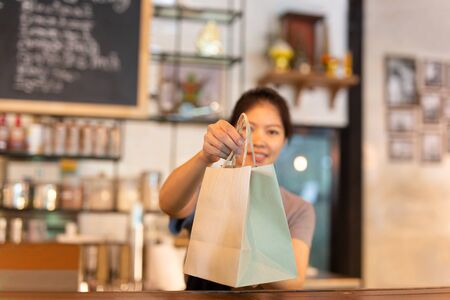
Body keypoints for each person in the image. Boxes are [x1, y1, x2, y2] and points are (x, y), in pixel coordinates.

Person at [159, 87, 315, 290]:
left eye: (272, 132)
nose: (258, 141)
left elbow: (292, 281)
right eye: (249, 129)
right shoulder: (211, 187)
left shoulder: (297, 208)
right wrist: (205, 156)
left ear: (285, 141)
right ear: (232, 132)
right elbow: (168, 204)